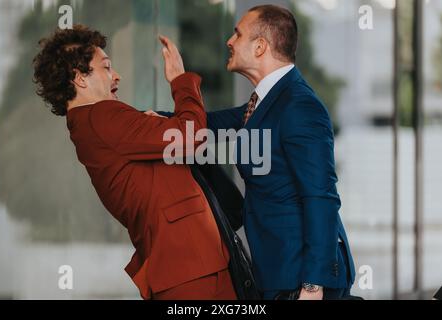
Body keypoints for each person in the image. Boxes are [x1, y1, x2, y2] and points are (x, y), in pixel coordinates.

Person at [33, 24, 237, 300]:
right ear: (79, 78)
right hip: (191, 268)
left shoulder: (87, 126)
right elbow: (192, 135)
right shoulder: (102, 116)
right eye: (106, 67)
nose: (116, 75)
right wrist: (179, 79)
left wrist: (159, 126)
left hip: (184, 267)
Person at [171, 5, 357, 300]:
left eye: (237, 34)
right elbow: (205, 126)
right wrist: (138, 119)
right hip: (277, 270)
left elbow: (321, 197)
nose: (229, 41)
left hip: (300, 278)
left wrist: (313, 285)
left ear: (260, 47)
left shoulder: (299, 105)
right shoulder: (263, 103)